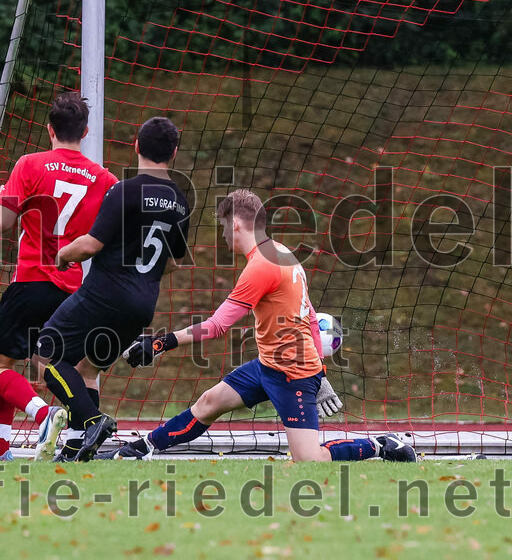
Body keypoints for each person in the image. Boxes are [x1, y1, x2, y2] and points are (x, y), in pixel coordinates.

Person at [111, 188, 415, 462]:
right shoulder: (283, 253)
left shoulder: (260, 267)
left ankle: (380, 445)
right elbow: (310, 315)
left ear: (238, 225)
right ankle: (142, 448)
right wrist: (321, 370)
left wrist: (160, 343)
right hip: (269, 365)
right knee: (209, 402)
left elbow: (217, 326)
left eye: (224, 227)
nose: (223, 235)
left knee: (309, 460)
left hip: (292, 375)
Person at [0, 92, 119, 461]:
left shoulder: (30, 164)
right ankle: (2, 449)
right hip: (72, 293)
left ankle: (43, 415)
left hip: (31, 282)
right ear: (85, 131)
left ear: (49, 129)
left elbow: (3, 223)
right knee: (62, 370)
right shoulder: (105, 179)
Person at [36, 116, 191, 462]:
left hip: (104, 294)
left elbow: (91, 244)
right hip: (141, 305)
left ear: (135, 145)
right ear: (174, 153)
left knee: (47, 353)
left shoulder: (124, 190)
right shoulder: (180, 202)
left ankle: (91, 420)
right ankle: (79, 446)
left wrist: (63, 255)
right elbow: (173, 261)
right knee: (87, 369)